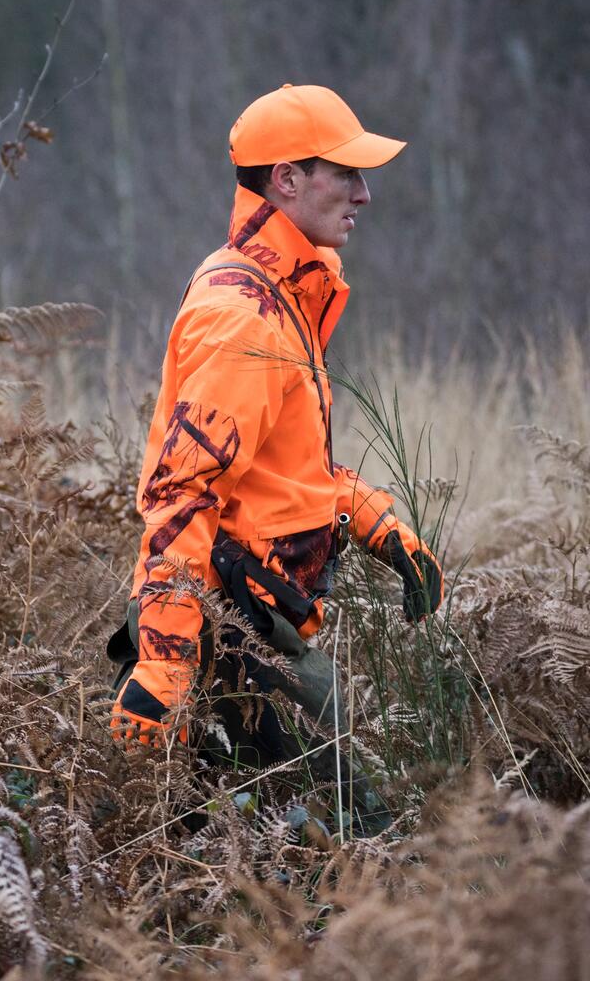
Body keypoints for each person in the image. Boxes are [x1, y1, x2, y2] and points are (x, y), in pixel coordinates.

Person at [108, 84, 443, 815]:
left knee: (277, 852)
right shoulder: (245, 316)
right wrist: (165, 666)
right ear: (286, 179)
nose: (364, 194)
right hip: (224, 631)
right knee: (356, 840)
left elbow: (283, 467)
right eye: (345, 173)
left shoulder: (285, 296)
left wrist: (382, 529)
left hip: (255, 623)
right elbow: (181, 494)